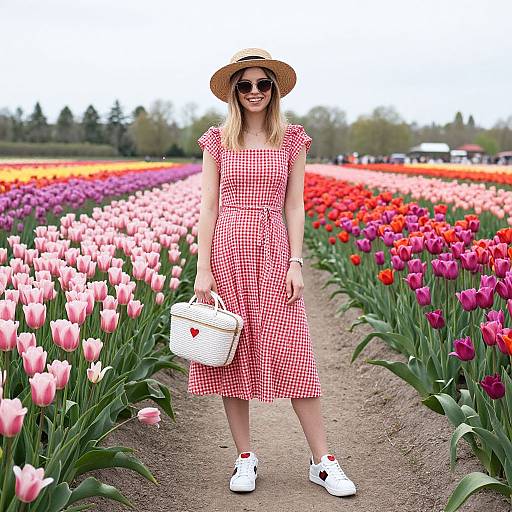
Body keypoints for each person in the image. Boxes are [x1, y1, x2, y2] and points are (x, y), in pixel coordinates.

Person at [190, 47, 356, 498]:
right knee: (231, 352)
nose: (255, 92)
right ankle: (245, 457)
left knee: (293, 350)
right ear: (234, 92)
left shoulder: (293, 139)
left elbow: (295, 204)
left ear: (275, 89)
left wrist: (296, 262)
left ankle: (322, 461)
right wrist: (203, 268)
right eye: (245, 84)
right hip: (228, 249)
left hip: (275, 249)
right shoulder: (217, 140)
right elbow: (208, 204)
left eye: (263, 84)